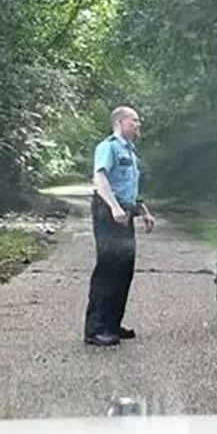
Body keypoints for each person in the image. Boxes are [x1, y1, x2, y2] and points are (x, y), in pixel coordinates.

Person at [84, 106, 156, 346]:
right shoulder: (108, 147)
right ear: (120, 122)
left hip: (124, 212)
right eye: (134, 120)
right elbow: (100, 178)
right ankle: (95, 330)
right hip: (108, 212)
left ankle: (112, 324)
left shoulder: (131, 152)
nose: (138, 125)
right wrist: (114, 207)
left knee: (124, 268)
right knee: (108, 269)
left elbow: (130, 189)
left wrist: (143, 211)